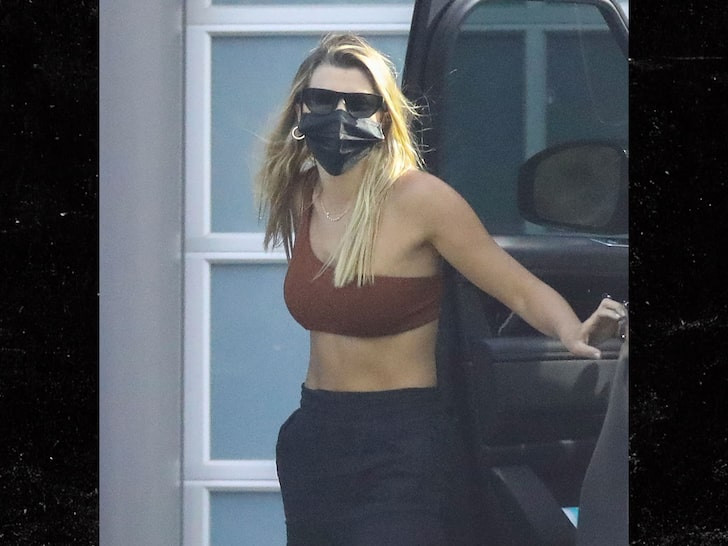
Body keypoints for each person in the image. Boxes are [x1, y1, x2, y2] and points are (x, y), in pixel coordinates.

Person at [255, 33, 627, 546]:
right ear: (300, 109)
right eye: (322, 100)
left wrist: (571, 329)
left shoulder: (421, 200)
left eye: (358, 104)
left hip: (399, 443)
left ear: (383, 116)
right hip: (314, 438)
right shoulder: (302, 196)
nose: (338, 116)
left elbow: (518, 288)